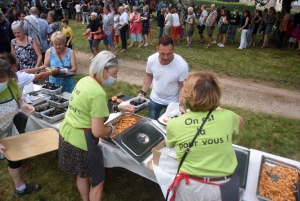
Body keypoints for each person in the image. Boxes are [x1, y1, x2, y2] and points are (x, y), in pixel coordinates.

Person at [58, 50, 134, 201]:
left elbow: (90, 109)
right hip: (83, 141)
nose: (116, 77)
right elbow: (98, 131)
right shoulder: (98, 93)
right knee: (98, 181)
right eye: (114, 73)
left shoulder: (84, 81)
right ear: (102, 69)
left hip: (67, 134)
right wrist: (112, 129)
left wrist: (118, 108)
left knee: (82, 173)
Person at [165, 71, 245, 201]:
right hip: (223, 185)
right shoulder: (228, 116)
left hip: (190, 185)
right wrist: (219, 110)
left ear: (186, 94)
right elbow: (241, 123)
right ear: (216, 94)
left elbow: (170, 144)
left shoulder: (174, 123)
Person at [0, 58, 41, 197]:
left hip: (8, 129)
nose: (1, 82)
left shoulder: (11, 84)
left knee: (15, 159)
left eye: (2, 78)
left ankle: (20, 189)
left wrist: (24, 105)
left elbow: (18, 99)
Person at [138, 36, 189, 120]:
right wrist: (142, 92)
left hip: (173, 102)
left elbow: (182, 86)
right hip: (155, 99)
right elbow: (149, 76)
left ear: (174, 49)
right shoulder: (151, 60)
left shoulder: (182, 65)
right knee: (152, 125)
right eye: (162, 53)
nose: (166, 57)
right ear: (157, 49)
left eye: (169, 53)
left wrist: (181, 105)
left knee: (167, 129)